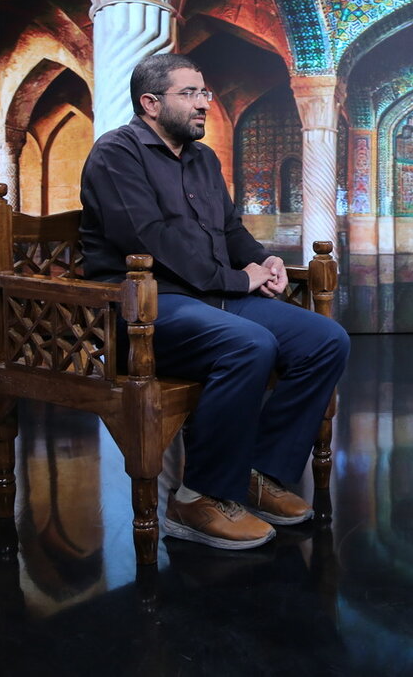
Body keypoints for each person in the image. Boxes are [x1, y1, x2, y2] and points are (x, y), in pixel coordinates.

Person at [80, 53, 350, 549]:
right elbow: (147, 238)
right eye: (189, 93)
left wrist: (263, 260)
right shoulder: (116, 153)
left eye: (203, 92)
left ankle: (257, 474)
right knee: (248, 343)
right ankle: (196, 497)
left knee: (325, 339)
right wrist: (237, 280)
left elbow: (229, 230)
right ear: (150, 103)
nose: (203, 103)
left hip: (210, 300)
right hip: (146, 308)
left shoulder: (202, 159)